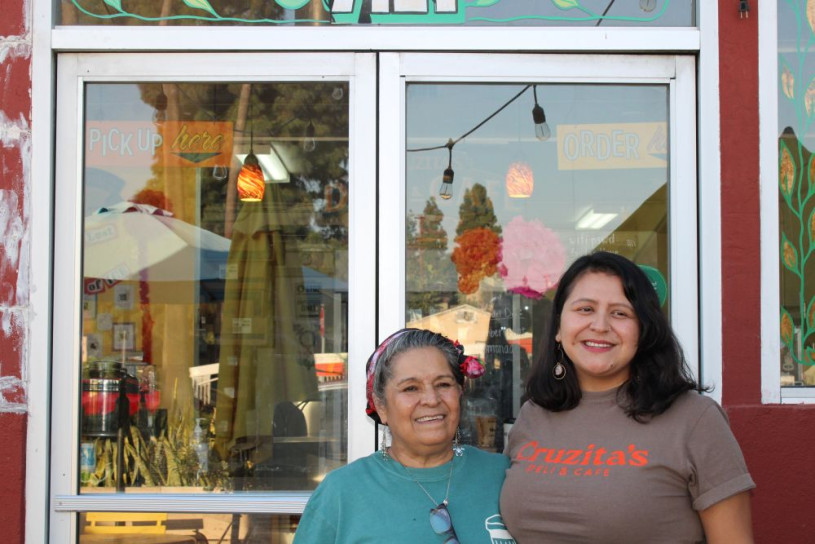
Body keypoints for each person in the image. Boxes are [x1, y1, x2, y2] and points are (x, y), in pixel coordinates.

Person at [500, 252, 755, 543]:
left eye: (620, 313)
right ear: (559, 327)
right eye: (585, 309)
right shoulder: (533, 414)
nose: (600, 325)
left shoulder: (695, 419)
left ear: (643, 331)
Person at [295, 328, 517, 543]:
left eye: (443, 384)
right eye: (411, 388)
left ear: (460, 393)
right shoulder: (342, 494)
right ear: (380, 406)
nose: (431, 399)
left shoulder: (503, 475)